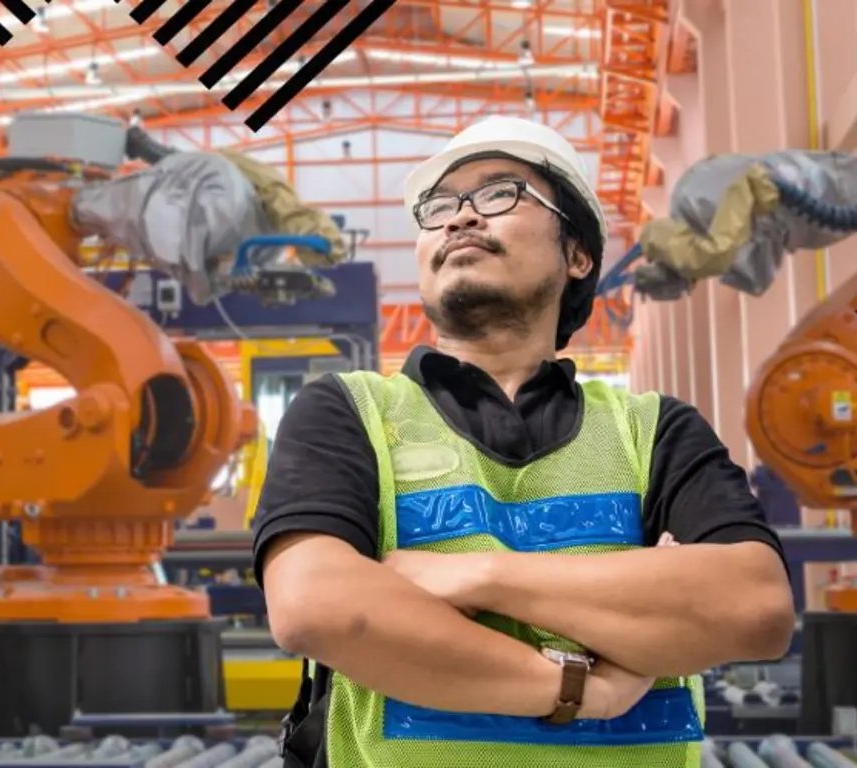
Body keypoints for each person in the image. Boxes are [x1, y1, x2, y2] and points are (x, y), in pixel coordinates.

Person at [251, 116, 796, 768]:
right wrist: (582, 688)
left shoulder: (654, 431)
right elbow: (319, 606)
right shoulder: (349, 412)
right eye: (439, 207)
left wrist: (475, 573)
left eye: (499, 194)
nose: (458, 220)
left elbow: (753, 608)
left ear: (578, 254)